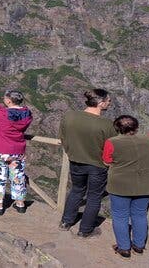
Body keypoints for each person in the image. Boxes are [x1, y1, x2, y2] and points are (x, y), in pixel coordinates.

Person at [103, 115, 149, 258]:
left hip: (120, 186)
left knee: (120, 216)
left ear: (116, 128)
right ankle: (139, 245)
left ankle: (124, 248)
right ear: (136, 127)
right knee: (140, 214)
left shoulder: (111, 142)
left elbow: (106, 161)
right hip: (145, 185)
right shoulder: (148, 138)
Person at [58, 88, 118, 237]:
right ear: (100, 103)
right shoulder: (107, 125)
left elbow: (63, 137)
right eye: (108, 101)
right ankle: (85, 230)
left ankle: (66, 222)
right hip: (97, 165)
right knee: (94, 196)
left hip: (75, 161)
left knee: (77, 190)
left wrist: (71, 151)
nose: (110, 103)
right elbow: (113, 146)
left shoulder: (69, 116)